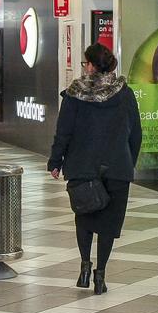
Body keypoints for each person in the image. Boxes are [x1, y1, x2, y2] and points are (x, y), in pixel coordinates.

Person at [48, 43, 142, 295]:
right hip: (117, 167)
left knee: (85, 217)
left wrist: (55, 161)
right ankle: (101, 274)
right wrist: (127, 163)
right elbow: (136, 135)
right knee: (108, 223)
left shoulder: (74, 94)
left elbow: (63, 132)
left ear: (90, 65)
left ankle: (85, 266)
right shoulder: (125, 93)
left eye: (85, 63)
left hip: (82, 166)